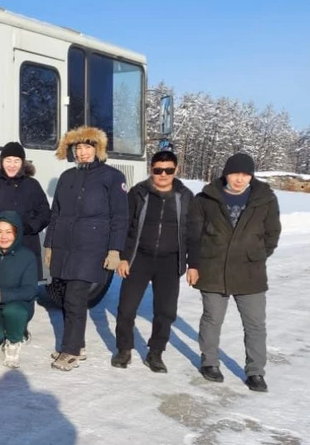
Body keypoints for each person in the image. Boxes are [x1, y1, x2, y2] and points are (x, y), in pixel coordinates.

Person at [187, 152, 281, 392]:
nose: (239, 179)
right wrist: (194, 265)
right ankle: (209, 362)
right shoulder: (205, 198)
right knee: (212, 319)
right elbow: (194, 236)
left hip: (250, 272)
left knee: (255, 324)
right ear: (225, 173)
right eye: (234, 173)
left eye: (245, 174)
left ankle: (255, 372)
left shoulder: (265, 199)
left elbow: (272, 234)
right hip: (212, 268)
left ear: (251, 175)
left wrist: (255, 255)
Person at [45, 127, 128, 371]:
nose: (82, 153)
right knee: (65, 296)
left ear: (98, 149)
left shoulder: (113, 177)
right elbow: (56, 213)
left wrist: (115, 250)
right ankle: (76, 344)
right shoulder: (67, 177)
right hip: (65, 245)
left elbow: (120, 217)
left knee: (75, 297)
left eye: (87, 147)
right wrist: (49, 243)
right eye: (78, 148)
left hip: (92, 247)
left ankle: (71, 351)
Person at [112, 151, 194, 373]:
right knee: (127, 308)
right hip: (140, 258)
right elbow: (125, 226)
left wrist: (193, 264)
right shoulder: (138, 193)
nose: (163, 174)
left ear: (175, 170)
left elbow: (193, 233)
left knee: (165, 311)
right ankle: (124, 348)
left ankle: (155, 353)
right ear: (151, 169)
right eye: (158, 170)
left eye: (168, 170)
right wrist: (123, 257)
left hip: (170, 260)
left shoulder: (185, 196)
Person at [0, 141, 52, 279]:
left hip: (26, 244)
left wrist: (29, 226)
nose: (12, 165)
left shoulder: (32, 185)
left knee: (25, 289)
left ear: (22, 163)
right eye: (8, 160)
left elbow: (45, 213)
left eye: (16, 161)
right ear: (2, 161)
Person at [0, 211, 39, 368]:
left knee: (14, 312)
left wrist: (2, 295)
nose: (4, 237)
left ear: (17, 234)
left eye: (9, 232)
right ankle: (4, 333)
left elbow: (31, 290)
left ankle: (14, 341)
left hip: (18, 306)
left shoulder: (27, 256)